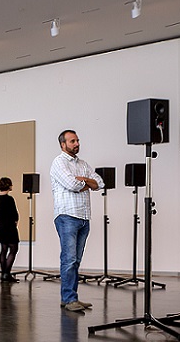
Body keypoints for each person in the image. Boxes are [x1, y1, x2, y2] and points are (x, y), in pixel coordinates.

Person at [50, 130, 103, 312]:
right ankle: (68, 299)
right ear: (63, 144)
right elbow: (72, 185)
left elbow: (99, 183)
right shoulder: (59, 162)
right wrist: (87, 184)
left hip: (84, 217)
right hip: (67, 216)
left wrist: (84, 180)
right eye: (72, 141)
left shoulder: (83, 164)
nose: (76, 144)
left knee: (76, 261)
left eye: (77, 140)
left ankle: (71, 298)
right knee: (69, 259)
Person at [0, 177, 20, 283]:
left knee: (3, 250)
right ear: (8, 186)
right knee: (13, 249)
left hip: (0, 227)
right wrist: (16, 221)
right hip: (10, 227)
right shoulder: (9, 199)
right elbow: (14, 214)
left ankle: (3, 273)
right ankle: (6, 273)